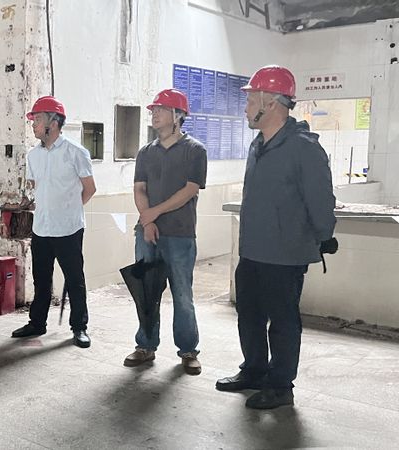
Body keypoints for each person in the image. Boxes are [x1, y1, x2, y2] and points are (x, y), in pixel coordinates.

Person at [215, 65, 336, 409]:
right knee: (249, 314)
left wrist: (324, 234)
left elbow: (321, 199)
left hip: (285, 253)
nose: (245, 107)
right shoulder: (259, 144)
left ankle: (281, 386)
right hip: (253, 250)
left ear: (270, 102)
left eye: (251, 99)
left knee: (282, 322)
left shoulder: (303, 148)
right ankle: (254, 370)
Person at [123, 89, 206, 375]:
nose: (154, 114)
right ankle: (145, 345)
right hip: (147, 233)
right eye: (153, 109)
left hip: (180, 234)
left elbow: (190, 190)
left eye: (161, 109)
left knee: (182, 294)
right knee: (146, 291)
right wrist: (147, 223)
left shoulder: (195, 150)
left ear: (178, 115)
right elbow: (139, 188)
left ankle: (188, 350)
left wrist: (154, 213)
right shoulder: (146, 152)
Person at [11, 96, 96, 348]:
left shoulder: (76, 152)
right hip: (41, 228)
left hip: (69, 229)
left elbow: (90, 189)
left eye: (37, 119)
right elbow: (34, 188)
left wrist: (68, 210)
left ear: (54, 122)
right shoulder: (33, 155)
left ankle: (79, 327)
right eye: (33, 120)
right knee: (41, 280)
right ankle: (37, 323)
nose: (33, 125)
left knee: (74, 280)